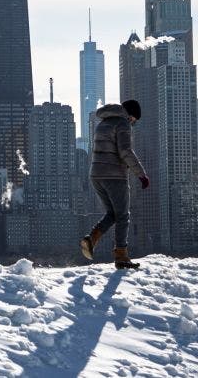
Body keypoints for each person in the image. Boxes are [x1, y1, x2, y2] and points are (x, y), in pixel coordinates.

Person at [80, 99, 150, 269]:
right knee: (123, 216)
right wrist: (141, 175)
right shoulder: (122, 124)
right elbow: (125, 151)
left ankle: (91, 239)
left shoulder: (102, 123)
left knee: (112, 214)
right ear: (131, 115)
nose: (133, 124)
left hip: (96, 175)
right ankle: (121, 256)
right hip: (114, 177)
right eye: (134, 121)